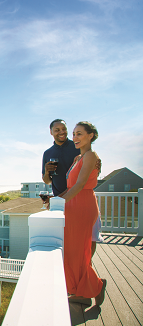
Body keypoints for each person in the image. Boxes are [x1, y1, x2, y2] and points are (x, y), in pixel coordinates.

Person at [60, 121, 106, 307]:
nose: (75, 138)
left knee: (79, 252)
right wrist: (55, 200)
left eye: (79, 134)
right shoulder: (77, 158)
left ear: (90, 136)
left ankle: (96, 286)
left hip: (82, 205)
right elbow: (70, 186)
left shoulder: (90, 155)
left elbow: (80, 185)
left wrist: (60, 202)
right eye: (74, 134)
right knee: (72, 252)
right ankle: (82, 292)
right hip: (73, 205)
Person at [42, 119, 103, 257]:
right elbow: (47, 180)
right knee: (69, 240)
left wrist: (57, 202)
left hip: (78, 199)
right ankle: (80, 271)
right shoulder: (49, 153)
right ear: (51, 132)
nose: (62, 132)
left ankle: (86, 270)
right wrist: (47, 172)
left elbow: (82, 181)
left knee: (88, 240)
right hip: (64, 198)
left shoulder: (80, 149)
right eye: (57, 130)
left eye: (64, 129)